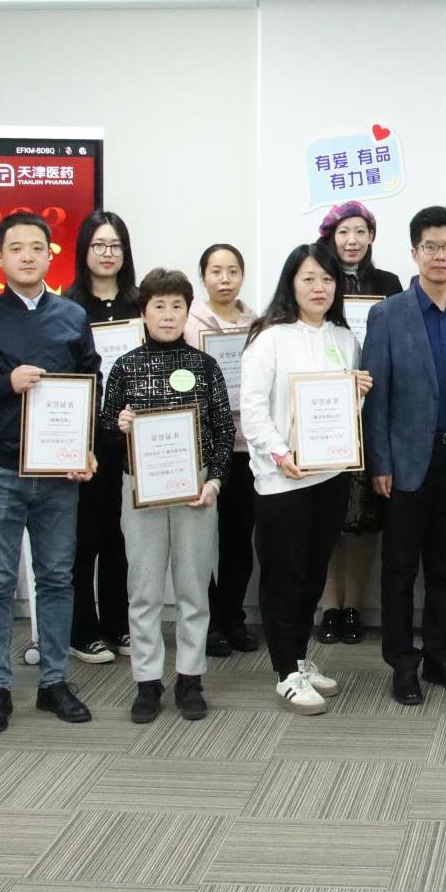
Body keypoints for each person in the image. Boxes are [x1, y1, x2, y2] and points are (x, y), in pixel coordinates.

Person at [0, 211, 100, 735]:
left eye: (37, 247)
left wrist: (86, 447)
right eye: (16, 248)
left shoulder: (72, 316)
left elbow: (91, 385)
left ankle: (54, 681)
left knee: (56, 577)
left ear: (51, 255)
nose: (28, 256)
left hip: (58, 474)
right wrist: (4, 383)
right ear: (0, 258)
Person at [364, 206, 446, 704]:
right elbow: (376, 395)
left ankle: (440, 655)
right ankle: (403, 663)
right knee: (400, 570)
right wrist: (380, 461)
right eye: (430, 247)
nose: (441, 256)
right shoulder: (388, 313)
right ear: (414, 252)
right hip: (405, 463)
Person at [98, 268, 234, 724]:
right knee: (144, 589)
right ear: (144, 312)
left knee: (194, 588)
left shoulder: (205, 366)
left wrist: (215, 481)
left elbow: (223, 431)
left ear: (187, 311)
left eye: (177, 305)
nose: (169, 314)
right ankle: (147, 680)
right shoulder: (125, 366)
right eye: (159, 305)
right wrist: (118, 426)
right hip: (141, 488)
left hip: (197, 488)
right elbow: (105, 430)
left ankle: (191, 678)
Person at [240, 244, 371, 715]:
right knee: (284, 576)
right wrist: (280, 453)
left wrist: (357, 392)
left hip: (330, 475)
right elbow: (252, 407)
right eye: (309, 278)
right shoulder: (269, 337)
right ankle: (285, 674)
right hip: (283, 480)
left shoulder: (344, 337)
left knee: (314, 572)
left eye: (327, 279)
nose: (319, 288)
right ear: (290, 284)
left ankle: (298, 657)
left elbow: (343, 411)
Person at [315, 201, 402, 646]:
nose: (352, 240)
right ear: (330, 236)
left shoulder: (389, 284)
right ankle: (329, 606)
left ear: (371, 237)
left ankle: (354, 607)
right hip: (325, 416)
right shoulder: (317, 279)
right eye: (344, 232)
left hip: (374, 413)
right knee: (329, 516)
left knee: (365, 520)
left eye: (360, 232)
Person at [65, 209, 139, 666]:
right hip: (84, 437)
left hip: (131, 438)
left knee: (120, 537)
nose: (108, 253)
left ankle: (117, 623)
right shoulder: (67, 305)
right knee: (84, 536)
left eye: (115, 245)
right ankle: (82, 630)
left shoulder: (140, 304)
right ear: (84, 251)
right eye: (99, 245)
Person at [184, 243, 259, 658]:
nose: (225, 279)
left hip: (244, 446)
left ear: (242, 276)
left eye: (232, 271)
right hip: (201, 447)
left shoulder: (258, 324)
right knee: (200, 542)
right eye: (216, 271)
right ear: (203, 276)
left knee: (238, 539)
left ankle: (233, 617)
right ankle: (207, 621)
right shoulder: (188, 322)